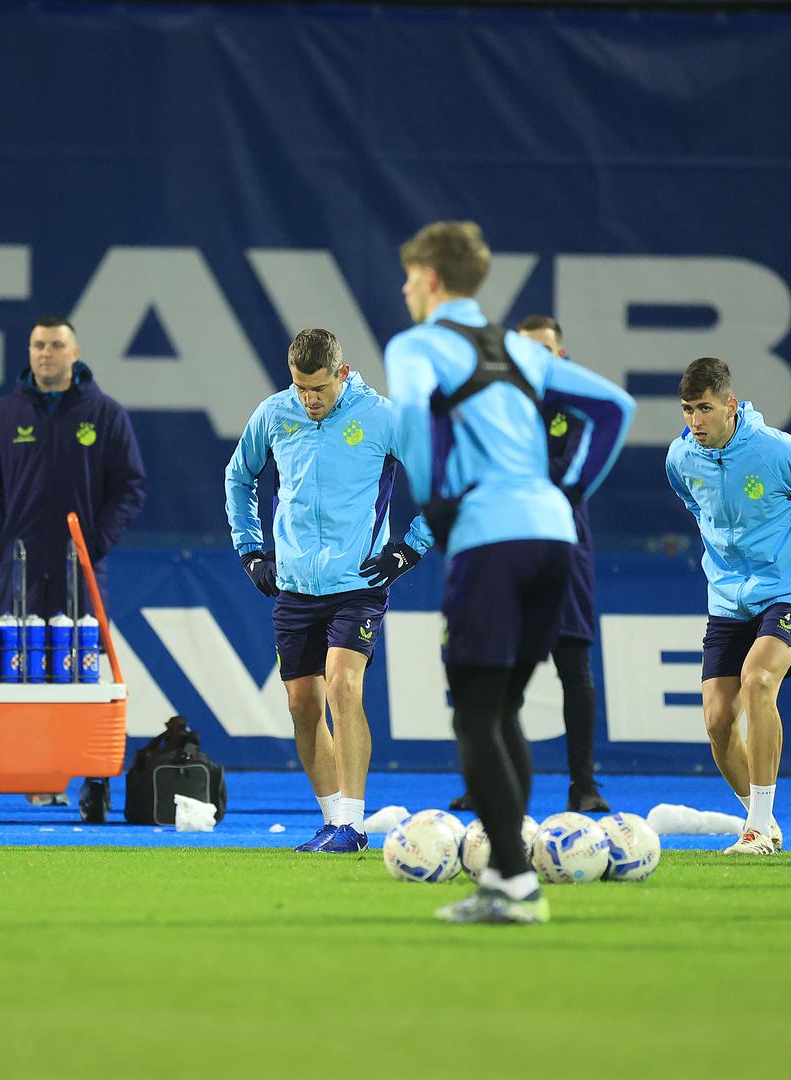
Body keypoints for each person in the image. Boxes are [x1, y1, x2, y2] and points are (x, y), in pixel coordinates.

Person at [384, 221, 635, 924]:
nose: (404, 289)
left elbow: (408, 410)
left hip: (488, 538)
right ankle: (504, 876)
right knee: (500, 715)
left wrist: (435, 500)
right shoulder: (523, 349)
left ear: (431, 279)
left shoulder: (416, 345)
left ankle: (516, 889)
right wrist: (571, 488)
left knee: (473, 715)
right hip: (553, 537)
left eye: (408, 277)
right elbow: (613, 408)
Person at [224, 328, 434, 854]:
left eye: (318, 388)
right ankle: (333, 819)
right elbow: (238, 478)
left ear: (342, 373)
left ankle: (354, 825)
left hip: (357, 583)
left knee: (343, 686)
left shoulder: (383, 417)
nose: (308, 399)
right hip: (294, 586)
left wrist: (410, 549)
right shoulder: (275, 412)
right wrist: (251, 549)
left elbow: (443, 483)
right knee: (302, 706)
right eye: (299, 387)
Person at [667, 358, 791, 855]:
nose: (695, 420)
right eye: (687, 410)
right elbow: (696, 505)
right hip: (726, 599)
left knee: (759, 679)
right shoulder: (680, 460)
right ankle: (757, 815)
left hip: (790, 590)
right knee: (719, 723)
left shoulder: (776, 451)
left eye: (704, 408)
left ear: (730, 405)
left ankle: (759, 829)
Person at [449, 314, 611, 815]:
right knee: (493, 668)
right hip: (500, 545)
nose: (537, 359)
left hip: (563, 545)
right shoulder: (496, 405)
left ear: (562, 356)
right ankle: (487, 782)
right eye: (528, 350)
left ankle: (583, 784)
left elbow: (573, 473)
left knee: (573, 669)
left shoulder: (578, 410)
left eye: (546, 350)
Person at [0, 316, 145, 618]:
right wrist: (3, 540)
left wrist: (96, 543)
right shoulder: (1, 415)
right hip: (19, 570)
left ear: (75, 353)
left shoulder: (107, 414)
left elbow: (130, 487)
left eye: (57, 345)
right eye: (39, 345)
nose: (46, 352)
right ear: (30, 351)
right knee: (17, 661)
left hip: (81, 569)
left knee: (79, 662)